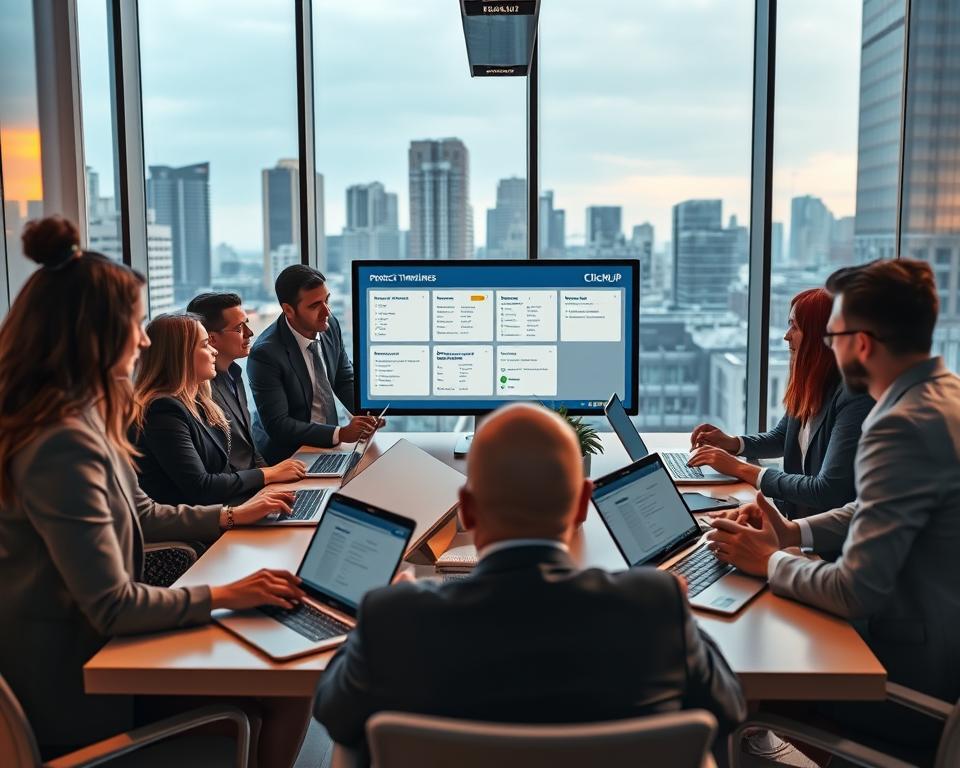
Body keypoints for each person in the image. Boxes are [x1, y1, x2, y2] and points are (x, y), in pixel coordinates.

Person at [0, 217, 308, 765]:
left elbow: (140, 511)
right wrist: (229, 596)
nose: (144, 339)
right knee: (280, 695)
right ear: (93, 336)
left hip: (93, 657)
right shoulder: (59, 443)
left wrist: (233, 520)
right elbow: (114, 607)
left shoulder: (80, 419)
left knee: (273, 682)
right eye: (136, 324)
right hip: (79, 690)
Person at [313, 403, 746, 762]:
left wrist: (379, 613)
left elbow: (333, 712)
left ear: (466, 509)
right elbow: (728, 708)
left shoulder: (396, 617)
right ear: (581, 505)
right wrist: (681, 614)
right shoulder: (654, 606)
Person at [707, 259, 960, 744]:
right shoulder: (939, 397)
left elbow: (851, 592)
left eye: (833, 335)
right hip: (934, 647)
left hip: (910, 678)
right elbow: (871, 505)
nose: (827, 346)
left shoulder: (899, 424)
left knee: (730, 688)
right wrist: (791, 533)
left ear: (860, 344)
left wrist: (771, 560)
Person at [689, 288, 874, 519]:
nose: (787, 335)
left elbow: (828, 491)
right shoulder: (814, 382)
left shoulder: (856, 396)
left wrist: (739, 468)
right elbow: (781, 438)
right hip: (798, 523)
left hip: (831, 543)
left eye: (795, 326)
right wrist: (733, 443)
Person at [134, 313, 307, 506]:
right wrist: (268, 474)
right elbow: (201, 487)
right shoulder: (162, 410)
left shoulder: (199, 402)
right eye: (204, 344)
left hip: (230, 508)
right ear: (179, 355)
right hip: (201, 528)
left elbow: (226, 470)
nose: (213, 351)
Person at [247, 265, 380, 464]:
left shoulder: (330, 325)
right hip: (289, 455)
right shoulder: (266, 354)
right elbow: (278, 425)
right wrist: (340, 433)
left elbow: (343, 378)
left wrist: (368, 412)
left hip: (330, 446)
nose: (326, 311)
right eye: (315, 305)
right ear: (288, 310)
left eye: (327, 300)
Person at [186, 292, 267, 477]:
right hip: (236, 493)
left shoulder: (235, 374)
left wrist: (276, 476)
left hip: (256, 484)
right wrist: (268, 478)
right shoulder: (199, 391)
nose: (250, 333)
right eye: (239, 328)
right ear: (212, 339)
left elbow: (250, 451)